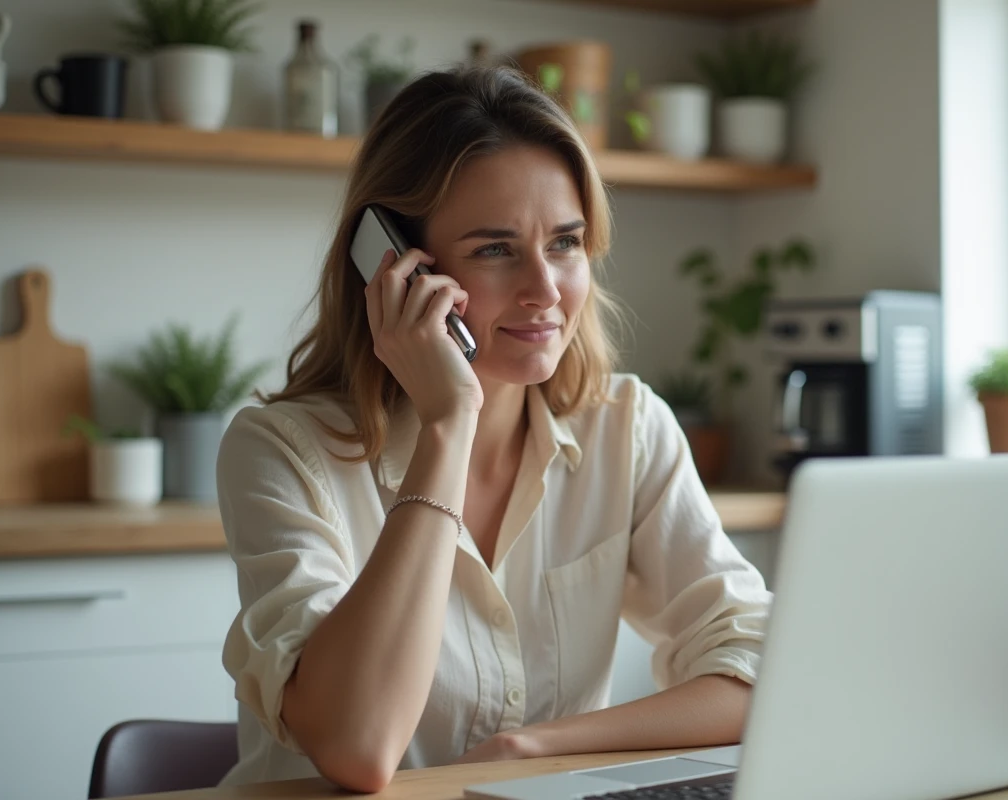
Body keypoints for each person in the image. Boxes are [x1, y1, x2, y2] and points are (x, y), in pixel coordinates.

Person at [215, 65, 772, 792]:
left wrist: (533, 747)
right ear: (394, 266)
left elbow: (762, 669)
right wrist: (450, 424)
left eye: (565, 243)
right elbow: (358, 746)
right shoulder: (281, 452)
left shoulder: (625, 428)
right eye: (495, 249)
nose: (545, 291)